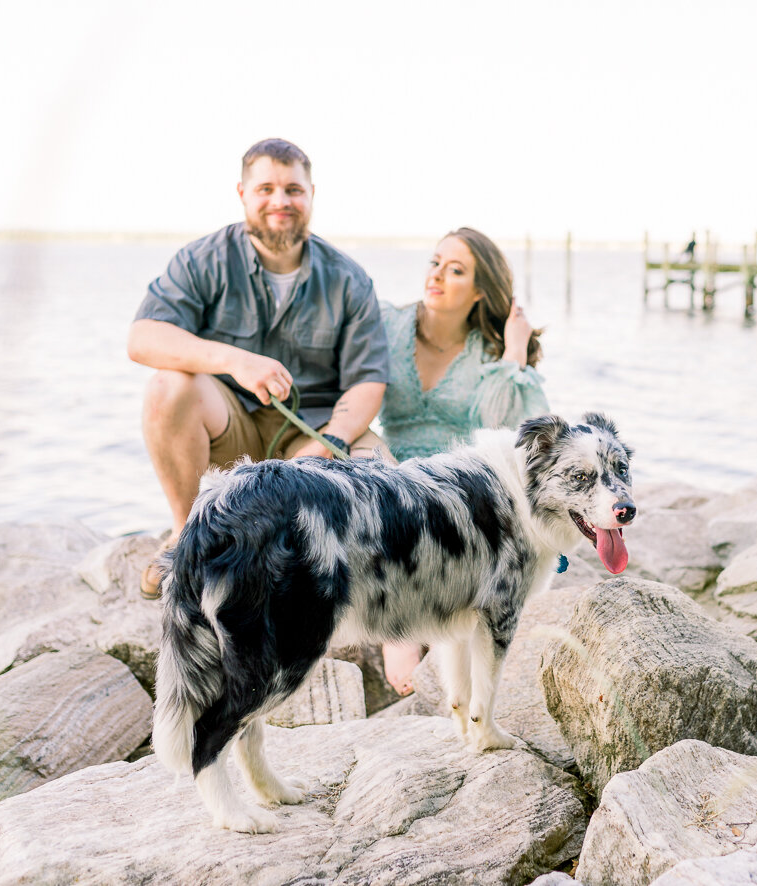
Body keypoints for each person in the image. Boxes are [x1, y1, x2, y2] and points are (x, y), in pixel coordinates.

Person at [128, 138, 390, 600]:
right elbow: (144, 338)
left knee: (381, 468)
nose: (280, 201)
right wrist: (233, 359)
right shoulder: (202, 260)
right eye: (265, 188)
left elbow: (368, 379)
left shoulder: (349, 278)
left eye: (293, 189)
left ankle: (352, 590)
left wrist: (328, 443)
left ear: (311, 194)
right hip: (229, 430)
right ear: (242, 193)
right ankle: (187, 534)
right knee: (167, 386)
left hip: (309, 432)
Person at [376, 226, 548, 691]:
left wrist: (514, 347)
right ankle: (399, 630)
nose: (437, 276)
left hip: (459, 479)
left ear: (479, 291)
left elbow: (509, 432)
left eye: (455, 270)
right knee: (375, 475)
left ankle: (436, 619)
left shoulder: (488, 349)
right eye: (435, 263)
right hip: (390, 466)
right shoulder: (388, 324)